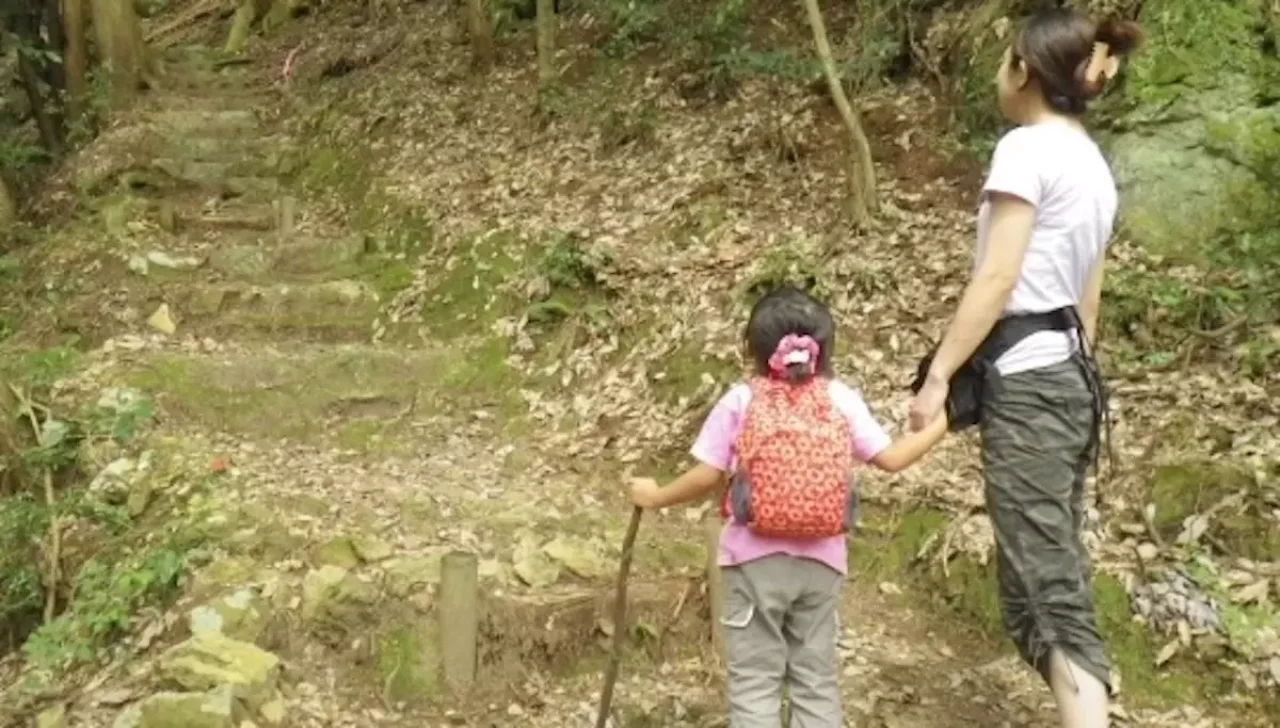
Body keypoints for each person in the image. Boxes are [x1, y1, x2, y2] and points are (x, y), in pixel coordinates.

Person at [907, 8, 1141, 728]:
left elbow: (998, 276)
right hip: (1069, 379)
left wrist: (940, 376)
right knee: (1038, 580)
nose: (997, 74)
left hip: (1034, 384)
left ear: (1024, 72)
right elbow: (1087, 295)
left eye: (1004, 60)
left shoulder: (1025, 149)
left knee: (1043, 588)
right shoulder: (1092, 163)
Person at [628, 286, 947, 727]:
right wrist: (949, 417)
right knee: (815, 679)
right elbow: (892, 458)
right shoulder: (839, 399)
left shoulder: (742, 400)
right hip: (822, 563)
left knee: (755, 681)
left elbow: (707, 475)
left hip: (752, 562)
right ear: (825, 349)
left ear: (752, 349)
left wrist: (655, 496)